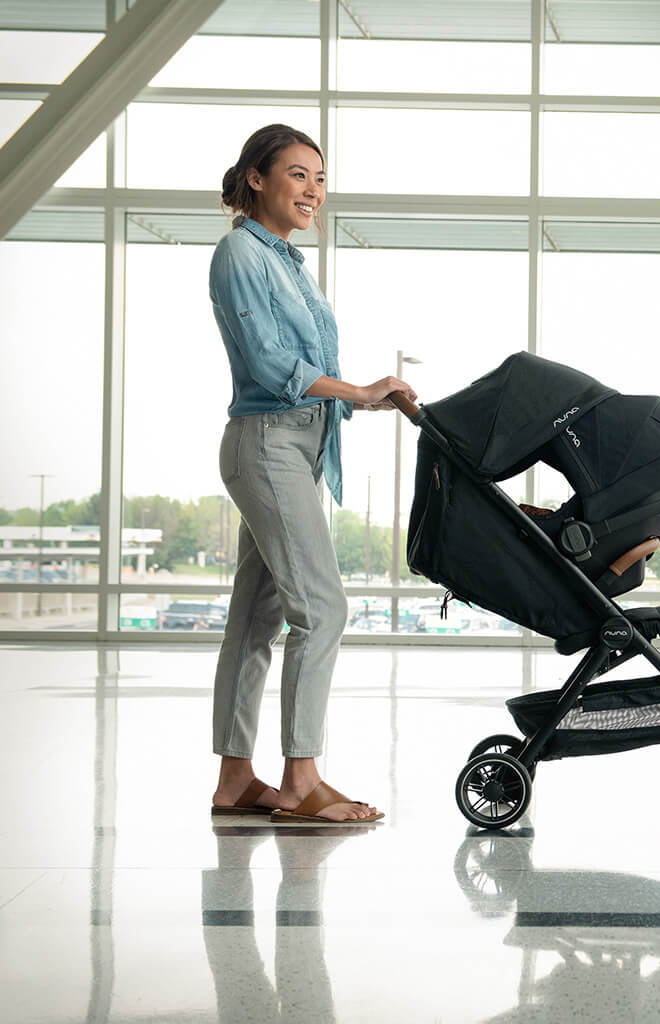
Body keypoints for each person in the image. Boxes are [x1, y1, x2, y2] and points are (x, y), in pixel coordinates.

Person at [208, 124, 417, 823]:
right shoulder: (240, 251)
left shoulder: (290, 263)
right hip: (268, 446)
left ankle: (236, 780)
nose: (313, 191)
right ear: (258, 179)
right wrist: (355, 390)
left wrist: (369, 397)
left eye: (320, 179)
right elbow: (269, 365)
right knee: (322, 608)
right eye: (298, 175)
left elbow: (305, 372)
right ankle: (301, 782)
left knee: (257, 617)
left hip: (291, 447)